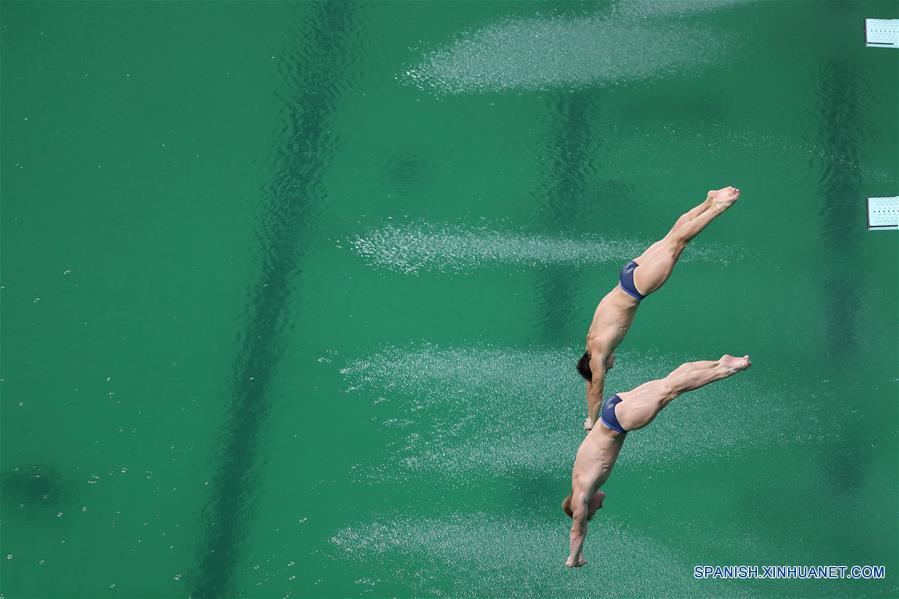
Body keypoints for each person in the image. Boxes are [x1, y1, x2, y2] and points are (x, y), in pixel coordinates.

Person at [562, 354, 751, 567]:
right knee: (668, 382)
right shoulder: (578, 478)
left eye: (594, 510)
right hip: (614, 406)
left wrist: (574, 558)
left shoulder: (581, 495)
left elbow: (577, 529)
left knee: (671, 390)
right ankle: (719, 362)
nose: (599, 507)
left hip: (618, 422)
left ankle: (724, 370)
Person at [578, 186, 741, 431]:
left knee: (678, 243)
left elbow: (596, 391)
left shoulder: (599, 356)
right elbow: (589, 382)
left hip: (636, 288)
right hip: (628, 275)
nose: (612, 364)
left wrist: (592, 420)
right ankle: (708, 201)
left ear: (596, 365)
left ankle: (716, 209)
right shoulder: (591, 343)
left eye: (607, 368)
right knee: (672, 237)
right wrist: (589, 392)